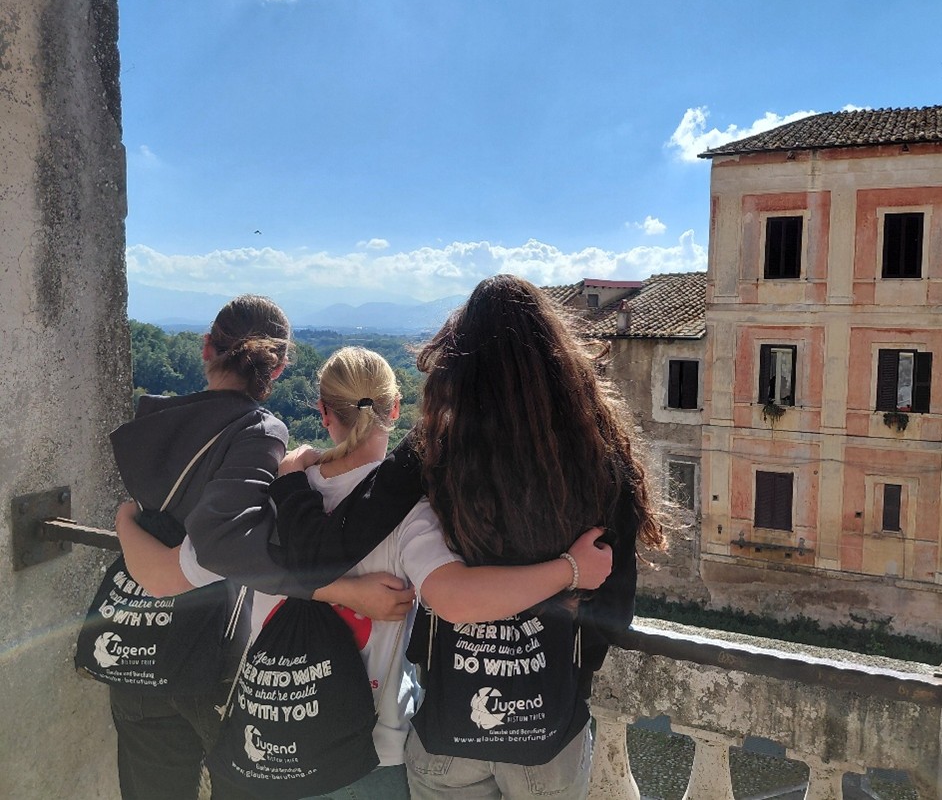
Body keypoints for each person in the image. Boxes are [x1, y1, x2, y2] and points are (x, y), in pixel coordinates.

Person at [118, 342, 613, 800]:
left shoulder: (271, 493)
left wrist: (124, 520)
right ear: (395, 410)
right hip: (371, 752)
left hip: (267, 739)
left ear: (323, 412)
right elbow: (456, 597)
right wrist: (571, 568)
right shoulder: (413, 514)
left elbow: (167, 576)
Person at [272, 274, 664, 799]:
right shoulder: (601, 458)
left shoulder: (434, 450)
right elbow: (612, 618)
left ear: (458, 368)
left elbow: (324, 549)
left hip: (449, 722)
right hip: (547, 731)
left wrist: (294, 482)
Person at [110, 295, 411, 800]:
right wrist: (342, 591)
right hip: (207, 663)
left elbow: (157, 559)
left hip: (134, 645)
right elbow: (206, 558)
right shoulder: (259, 431)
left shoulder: (151, 424)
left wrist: (123, 522)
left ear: (206, 348)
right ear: (279, 367)